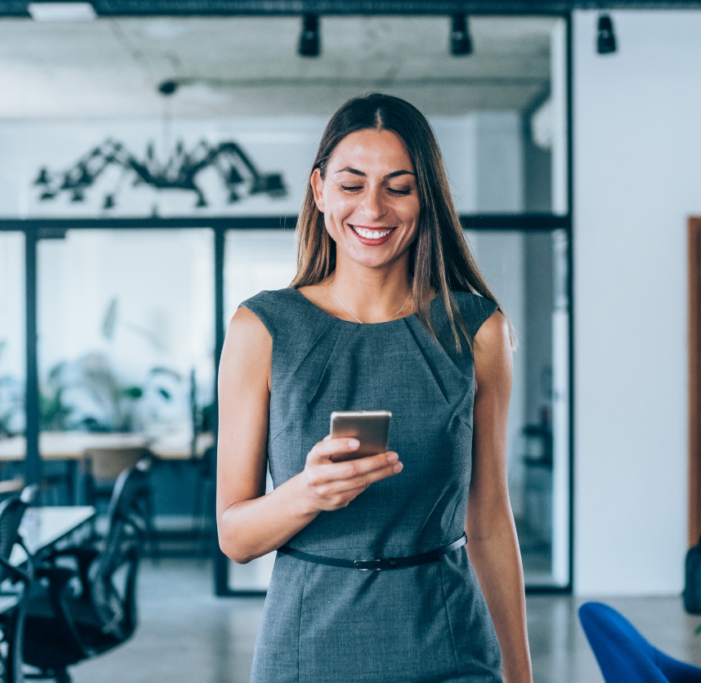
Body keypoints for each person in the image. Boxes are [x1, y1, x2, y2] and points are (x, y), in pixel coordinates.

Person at [217, 93, 533, 683]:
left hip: (449, 647)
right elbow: (234, 537)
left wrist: (520, 675)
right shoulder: (261, 329)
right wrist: (307, 492)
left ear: (425, 198)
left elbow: (488, 517)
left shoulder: (478, 329)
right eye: (352, 184)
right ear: (319, 190)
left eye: (399, 186)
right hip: (306, 652)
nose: (374, 207)